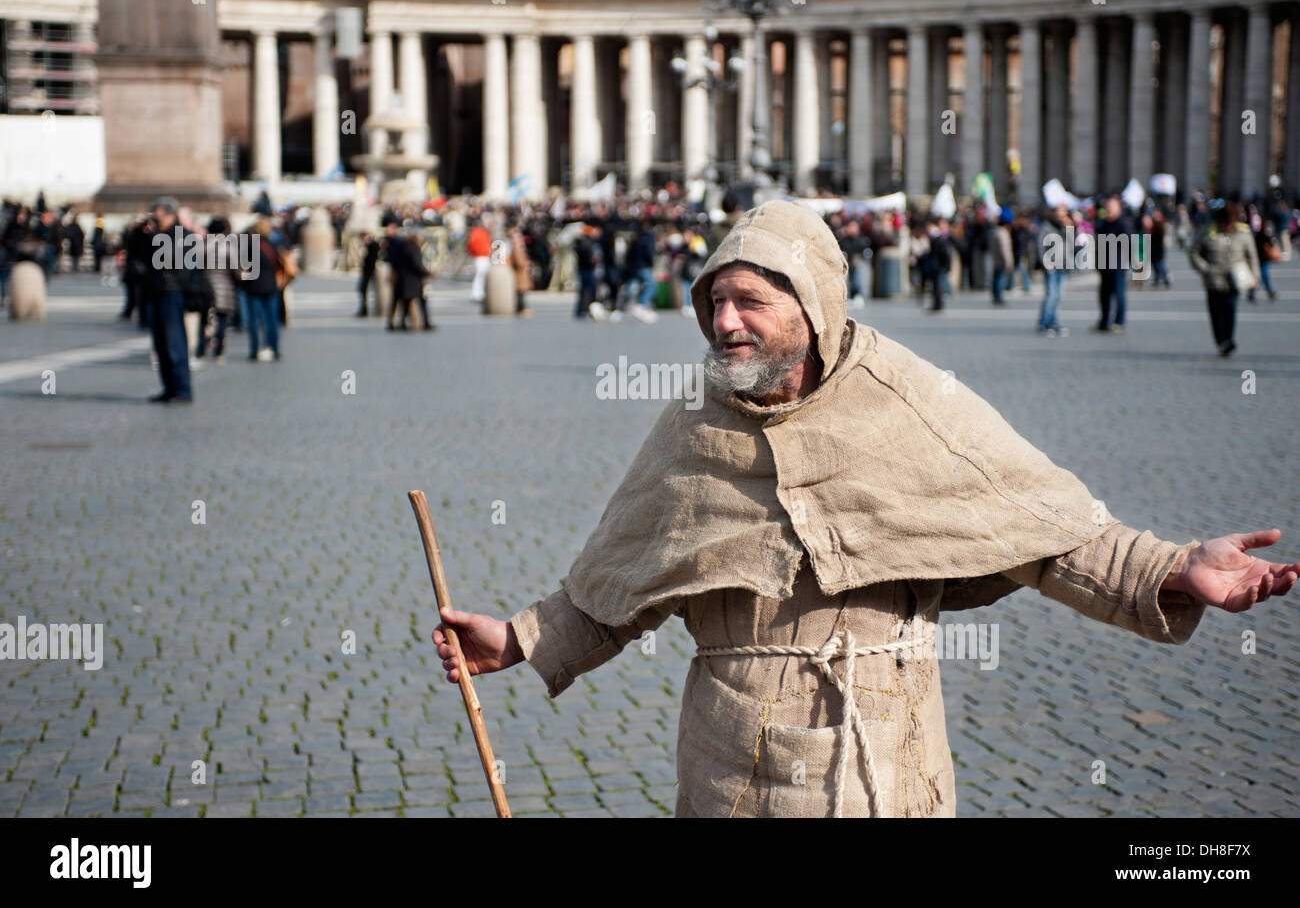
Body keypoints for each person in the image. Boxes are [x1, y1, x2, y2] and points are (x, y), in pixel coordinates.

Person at [431, 200, 1298, 818]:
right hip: (732, 770)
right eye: (713, 302)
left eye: (750, 302)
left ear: (812, 307)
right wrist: (518, 639)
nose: (725, 323)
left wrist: (1172, 566)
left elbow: (1039, 528)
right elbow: (622, 577)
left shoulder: (908, 399)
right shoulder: (693, 422)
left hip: (890, 757)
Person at [1188, 202, 1259, 357]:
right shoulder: (1208, 233)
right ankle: (1221, 341)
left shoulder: (1243, 234)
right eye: (1225, 223)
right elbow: (1194, 252)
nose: (1228, 226)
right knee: (1216, 314)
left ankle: (1228, 339)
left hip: (1234, 280)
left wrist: (1255, 277)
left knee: (1230, 311)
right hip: (1213, 280)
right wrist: (1205, 269)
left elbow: (1252, 256)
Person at [144, 198, 193, 403]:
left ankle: (182, 389)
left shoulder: (181, 235)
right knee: (161, 344)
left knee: (174, 342)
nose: (154, 219)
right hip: (157, 291)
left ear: (169, 214)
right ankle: (169, 387)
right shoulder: (157, 235)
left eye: (157, 215)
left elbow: (175, 262)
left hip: (172, 292)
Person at [197, 216, 239, 365]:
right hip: (225, 287)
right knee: (222, 321)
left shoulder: (203, 245)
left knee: (203, 321)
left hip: (206, 287)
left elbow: (197, 267)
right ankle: (218, 352)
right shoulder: (229, 246)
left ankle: (200, 350)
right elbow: (235, 270)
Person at [1092, 194, 1134, 333]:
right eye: (1107, 207)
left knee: (1119, 294)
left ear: (1118, 208)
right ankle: (1104, 322)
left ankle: (1119, 322)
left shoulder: (1123, 223)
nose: (1108, 210)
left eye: (1110, 207)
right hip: (1104, 265)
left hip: (1118, 265)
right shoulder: (1103, 223)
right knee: (1104, 295)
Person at [245, 218, 282, 360]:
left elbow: (245, 266)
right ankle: (274, 348)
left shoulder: (250, 245)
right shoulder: (273, 245)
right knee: (272, 319)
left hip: (254, 286)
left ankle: (254, 349)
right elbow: (279, 264)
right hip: (271, 286)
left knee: (254, 321)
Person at [1036, 203, 1072, 336]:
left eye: (1063, 213)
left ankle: (1054, 322)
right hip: (1051, 266)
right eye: (1058, 212)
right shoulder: (1046, 227)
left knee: (1059, 296)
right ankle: (1045, 323)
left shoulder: (1064, 227)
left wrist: (1068, 228)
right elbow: (1040, 246)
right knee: (1051, 295)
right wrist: (1045, 262)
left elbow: (1072, 243)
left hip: (1062, 265)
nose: (1060, 215)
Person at [466, 221, 492, 302]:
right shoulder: (482, 233)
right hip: (483, 256)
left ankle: (478, 293)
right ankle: (478, 294)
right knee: (480, 276)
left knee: (479, 276)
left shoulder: (474, 233)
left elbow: (470, 245)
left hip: (477, 256)